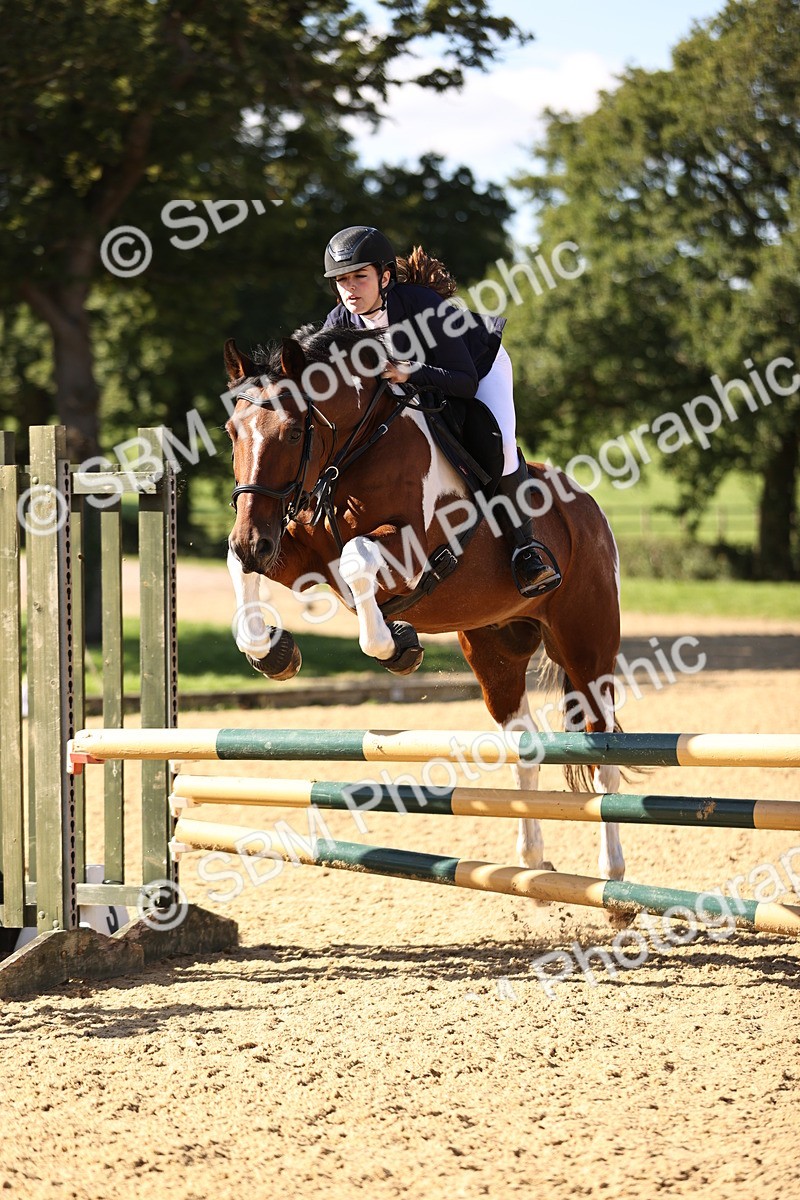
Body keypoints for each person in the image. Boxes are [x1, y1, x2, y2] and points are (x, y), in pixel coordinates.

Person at [321, 225, 561, 597]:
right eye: (342, 280)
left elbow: (463, 381)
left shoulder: (422, 306)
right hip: (419, 382)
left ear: (384, 277)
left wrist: (410, 371)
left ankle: (526, 551)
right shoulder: (339, 323)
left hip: (479, 368)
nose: (350, 289)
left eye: (360, 277)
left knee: (499, 446)